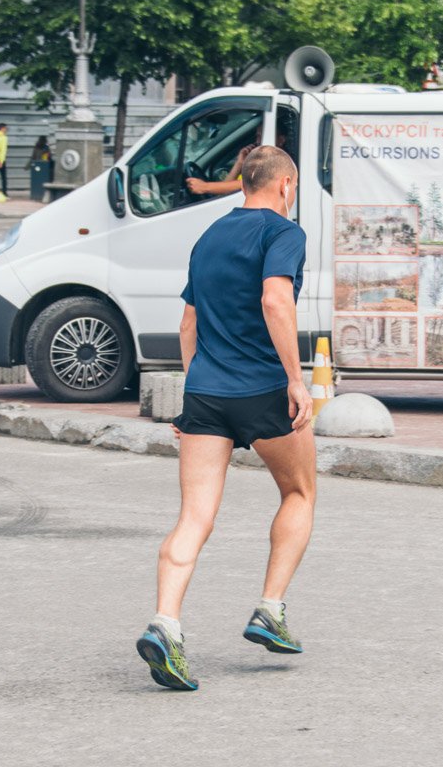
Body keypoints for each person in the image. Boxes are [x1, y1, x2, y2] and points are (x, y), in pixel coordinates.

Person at [136, 145, 316, 691]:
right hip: (264, 390)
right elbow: (275, 303)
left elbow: (188, 323)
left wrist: (195, 393)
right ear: (285, 185)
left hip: (207, 395)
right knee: (299, 494)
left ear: (243, 183)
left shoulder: (209, 236)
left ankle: (165, 624)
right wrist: (296, 379)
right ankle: (269, 609)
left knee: (195, 517)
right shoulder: (285, 232)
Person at [185, 123, 289, 197]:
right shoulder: (262, 162)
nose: (257, 142)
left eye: (261, 136)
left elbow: (249, 183)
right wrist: (239, 164)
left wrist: (204, 187)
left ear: (281, 140)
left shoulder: (283, 162)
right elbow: (226, 189)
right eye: (257, 136)